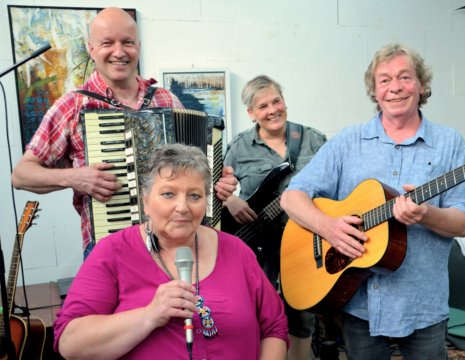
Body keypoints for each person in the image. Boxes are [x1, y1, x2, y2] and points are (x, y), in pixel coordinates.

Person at [280, 43, 465, 360]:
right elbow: (292, 196)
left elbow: (464, 223)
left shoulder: (450, 143)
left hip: (423, 306)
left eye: (405, 77)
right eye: (384, 80)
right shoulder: (348, 141)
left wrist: (425, 214)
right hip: (359, 304)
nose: (395, 87)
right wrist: (329, 228)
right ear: (374, 91)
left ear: (422, 85)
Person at [11, 7, 237, 257]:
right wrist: (75, 178)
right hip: (111, 246)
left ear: (138, 47)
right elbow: (21, 175)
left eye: (127, 42)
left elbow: (193, 172)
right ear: (91, 48)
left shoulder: (167, 100)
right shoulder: (72, 105)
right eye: (107, 42)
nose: (118, 52)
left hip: (174, 242)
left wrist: (217, 182)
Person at [53, 143, 288, 359]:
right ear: (146, 201)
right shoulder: (112, 252)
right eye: (168, 194)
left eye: (194, 196)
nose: (183, 207)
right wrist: (150, 315)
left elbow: (274, 326)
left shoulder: (236, 250)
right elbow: (70, 344)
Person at [223, 75, 327, 360]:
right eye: (263, 106)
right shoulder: (239, 146)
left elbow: (335, 183)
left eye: (276, 101)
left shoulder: (312, 140)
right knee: (258, 308)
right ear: (251, 113)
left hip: (304, 237)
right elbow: (213, 187)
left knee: (301, 311)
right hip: (257, 240)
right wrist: (230, 200)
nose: (272, 110)